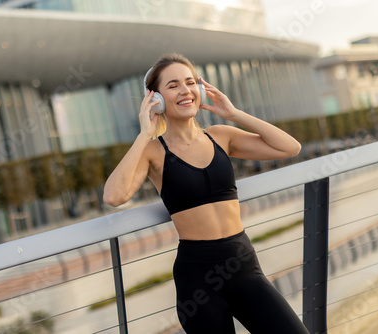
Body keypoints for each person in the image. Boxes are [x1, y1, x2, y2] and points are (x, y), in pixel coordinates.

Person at [103, 53, 309, 334]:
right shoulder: (153, 151)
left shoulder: (221, 136)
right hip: (197, 281)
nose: (185, 90)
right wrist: (143, 134)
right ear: (156, 98)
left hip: (244, 266)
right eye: (173, 85)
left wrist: (234, 114)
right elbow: (114, 196)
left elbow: (290, 148)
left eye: (190, 82)